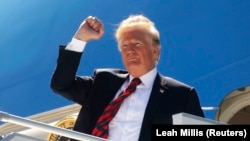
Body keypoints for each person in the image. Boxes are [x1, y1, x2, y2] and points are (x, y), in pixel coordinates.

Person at [50, 14, 205, 141]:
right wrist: (80, 39)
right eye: (124, 46)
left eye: (137, 44)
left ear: (155, 51)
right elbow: (61, 85)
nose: (130, 50)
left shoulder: (181, 95)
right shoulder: (104, 81)